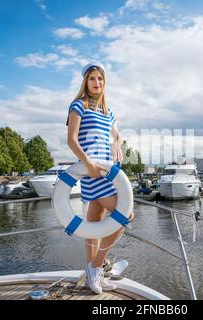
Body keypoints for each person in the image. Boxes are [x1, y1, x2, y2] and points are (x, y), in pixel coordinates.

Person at [66, 62, 133, 295]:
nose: (96, 83)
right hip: (92, 172)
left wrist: (117, 144)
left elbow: (119, 136)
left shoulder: (108, 111)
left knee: (95, 221)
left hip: (108, 171)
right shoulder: (78, 106)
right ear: (85, 81)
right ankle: (96, 267)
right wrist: (88, 164)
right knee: (126, 214)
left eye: (100, 79)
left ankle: (93, 272)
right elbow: (72, 140)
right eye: (92, 78)